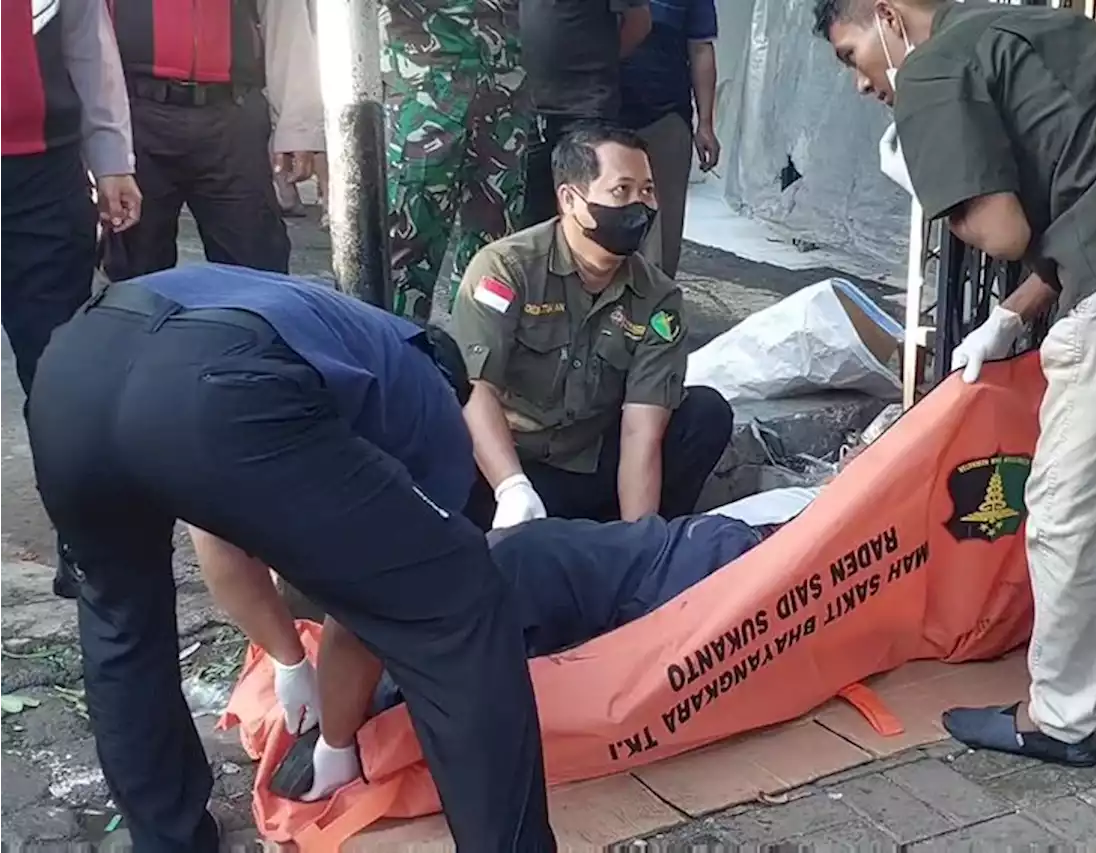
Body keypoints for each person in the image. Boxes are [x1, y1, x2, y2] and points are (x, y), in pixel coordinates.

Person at [815, 0, 1096, 767]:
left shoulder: (931, 65)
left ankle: (1057, 715)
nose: (860, 84)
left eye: (850, 54)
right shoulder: (1032, 25)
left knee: (1061, 503)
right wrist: (1013, 315)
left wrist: (929, 182)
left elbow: (1005, 230)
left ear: (888, 16)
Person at [27, 265, 554, 852]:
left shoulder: (337, 330)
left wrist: (288, 658)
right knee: (462, 606)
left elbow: (213, 522)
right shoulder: (428, 392)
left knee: (120, 619)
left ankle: (165, 839)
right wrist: (336, 735)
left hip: (75, 369)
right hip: (217, 383)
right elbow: (391, 599)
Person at [261, 486, 819, 802]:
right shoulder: (439, 577)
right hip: (662, 562)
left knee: (796, 568)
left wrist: (337, 742)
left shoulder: (469, 598)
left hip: (697, 561)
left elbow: (438, 691)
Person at [451, 123, 734, 531]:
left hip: (590, 465)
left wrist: (639, 547)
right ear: (570, 198)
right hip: (508, 471)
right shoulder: (507, 270)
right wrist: (512, 489)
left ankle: (626, 544)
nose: (640, 205)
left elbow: (642, 431)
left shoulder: (657, 298)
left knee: (704, 415)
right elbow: (477, 390)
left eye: (648, 190)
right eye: (622, 190)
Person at [3, 0, 141, 601]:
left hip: (43, 175)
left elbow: (90, 49)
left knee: (57, 370)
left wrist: (111, 160)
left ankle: (83, 543)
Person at [101, 0, 324, 280]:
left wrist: (298, 128)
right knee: (135, 272)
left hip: (232, 118)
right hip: (136, 118)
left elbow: (286, 22)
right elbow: (85, 32)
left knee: (255, 268)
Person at [384, 0, 529, 322]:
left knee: (497, 246)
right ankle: (401, 354)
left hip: (506, 85)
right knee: (408, 240)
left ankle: (478, 357)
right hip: (424, 89)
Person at [519, 0, 653, 228]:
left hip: (587, 108)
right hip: (531, 109)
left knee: (588, 213)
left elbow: (639, 22)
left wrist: (597, 62)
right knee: (530, 216)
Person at [620, 0, 721, 276]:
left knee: (664, 226)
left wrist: (706, 124)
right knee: (605, 215)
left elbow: (701, 49)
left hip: (667, 116)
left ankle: (657, 308)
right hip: (605, 113)